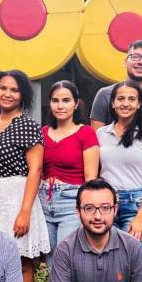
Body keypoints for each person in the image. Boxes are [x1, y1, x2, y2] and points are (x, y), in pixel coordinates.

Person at [0, 70, 50, 282]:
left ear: (23, 95)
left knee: (22, 263)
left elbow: (35, 170)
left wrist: (24, 211)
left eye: (14, 89)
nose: (8, 94)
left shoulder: (28, 126)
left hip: (18, 197)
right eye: (3, 88)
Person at [96, 82, 142, 251]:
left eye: (132, 99)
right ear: (113, 103)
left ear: (139, 104)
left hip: (136, 205)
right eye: (121, 99)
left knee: (131, 258)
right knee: (106, 259)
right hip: (106, 204)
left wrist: (141, 217)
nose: (126, 103)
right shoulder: (101, 134)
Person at [39, 80, 99, 266]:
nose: (60, 106)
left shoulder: (86, 133)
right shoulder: (43, 132)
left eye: (66, 100)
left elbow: (91, 178)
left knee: (65, 257)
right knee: (49, 259)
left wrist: (86, 208)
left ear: (76, 103)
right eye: (55, 100)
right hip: (43, 201)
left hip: (71, 201)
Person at [90, 40, 142, 128]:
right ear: (125, 62)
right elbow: (96, 134)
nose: (141, 62)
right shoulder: (105, 94)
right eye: (135, 57)